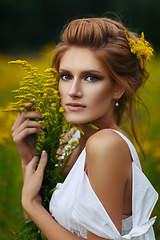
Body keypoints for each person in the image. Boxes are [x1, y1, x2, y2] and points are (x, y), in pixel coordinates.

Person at [12, 17, 158, 240]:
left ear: (118, 88)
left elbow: (35, 212)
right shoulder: (70, 141)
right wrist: (28, 160)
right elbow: (39, 229)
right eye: (66, 76)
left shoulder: (106, 145)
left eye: (91, 77)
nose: (73, 90)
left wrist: (32, 204)